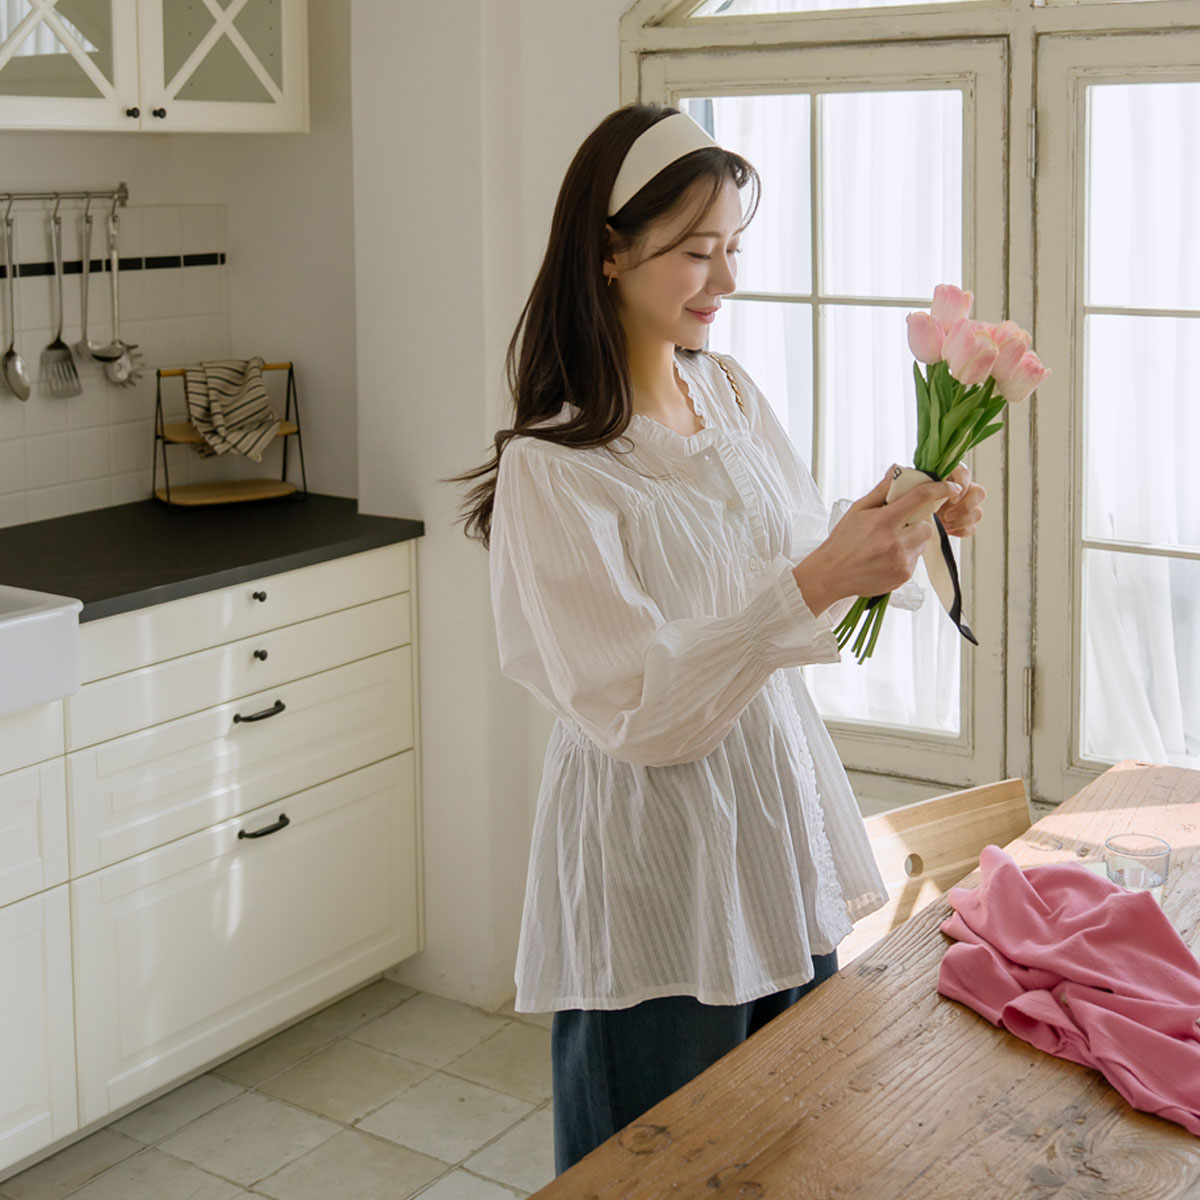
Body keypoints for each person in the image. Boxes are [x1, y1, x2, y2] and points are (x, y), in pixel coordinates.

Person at [448, 103, 987, 1175]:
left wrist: (891, 517)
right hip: (657, 870)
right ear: (608, 254)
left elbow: (791, 560)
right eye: (697, 252)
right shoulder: (555, 470)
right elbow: (638, 709)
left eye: (732, 247)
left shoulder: (728, 395)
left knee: (793, 1150)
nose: (726, 280)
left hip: (776, 835)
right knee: (653, 1169)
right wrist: (820, 573)